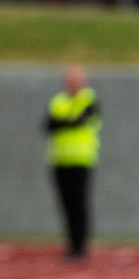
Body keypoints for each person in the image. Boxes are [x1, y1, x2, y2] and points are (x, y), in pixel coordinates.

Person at [44, 65, 102, 260]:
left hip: (81, 160)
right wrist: (70, 121)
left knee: (79, 204)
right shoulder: (57, 101)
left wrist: (64, 122)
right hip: (59, 160)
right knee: (66, 204)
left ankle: (80, 245)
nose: (72, 85)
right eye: (69, 81)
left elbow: (81, 120)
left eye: (75, 81)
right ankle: (71, 244)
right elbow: (49, 125)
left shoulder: (89, 99)